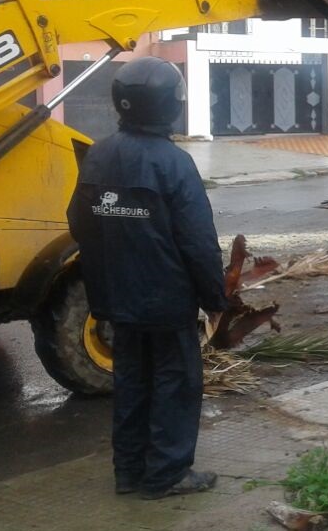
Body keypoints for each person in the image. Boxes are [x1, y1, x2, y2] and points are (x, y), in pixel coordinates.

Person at [67, 57, 229, 499]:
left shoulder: (98, 155)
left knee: (132, 383)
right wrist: (216, 297)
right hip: (167, 303)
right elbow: (197, 242)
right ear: (169, 105)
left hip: (117, 300)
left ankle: (129, 472)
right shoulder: (173, 163)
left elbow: (79, 222)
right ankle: (167, 474)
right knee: (175, 385)